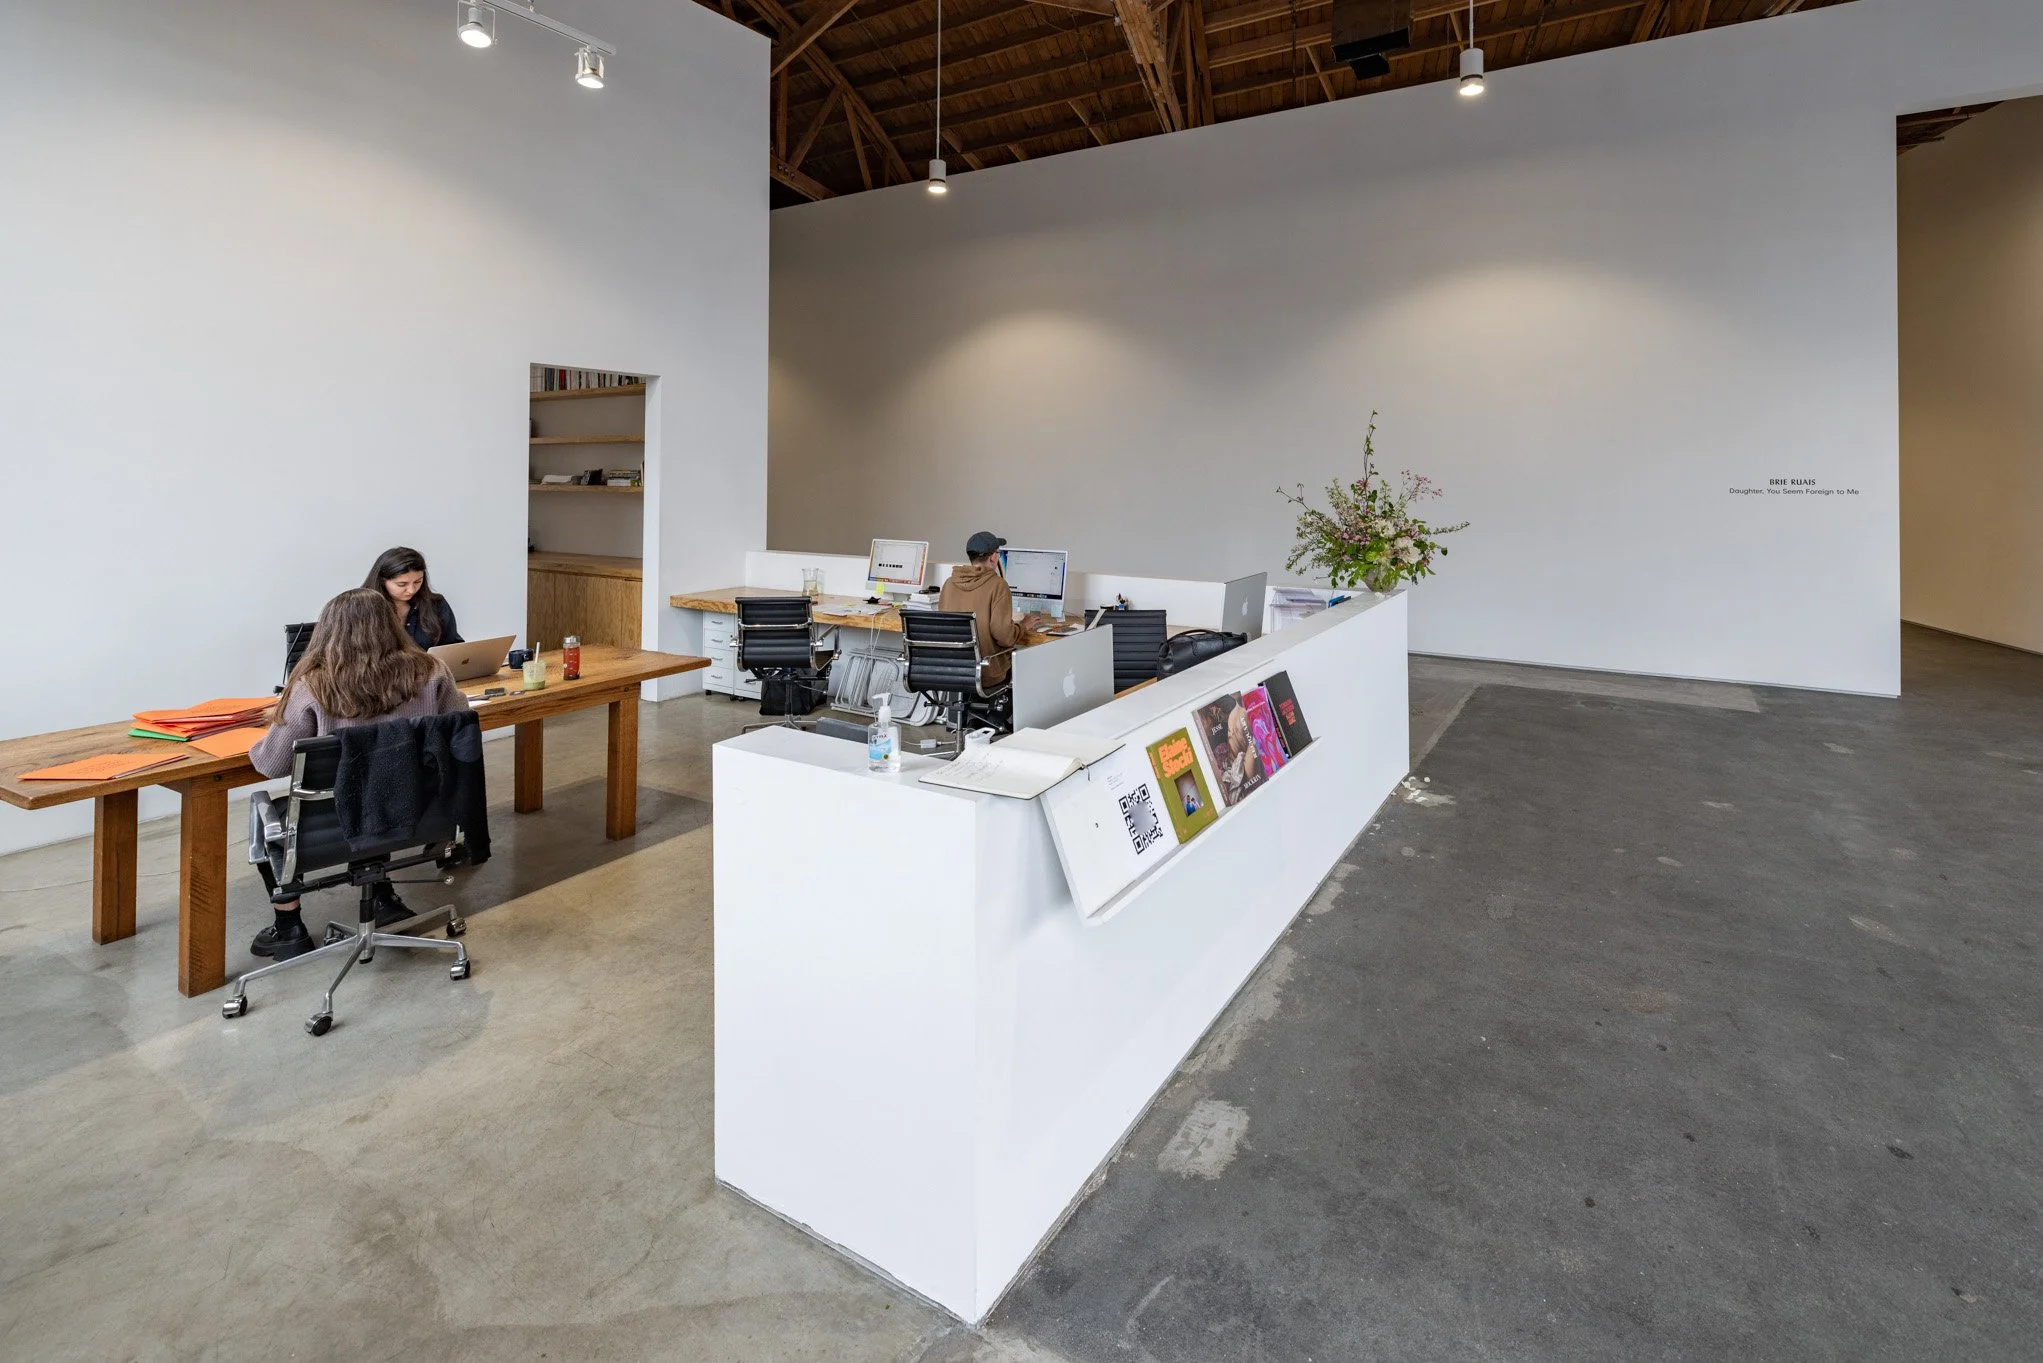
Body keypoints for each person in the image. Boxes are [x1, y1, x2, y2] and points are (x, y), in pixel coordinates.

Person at [247, 588, 471, 960]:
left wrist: (259, 740)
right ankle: (382, 897)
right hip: (417, 811)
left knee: (267, 814)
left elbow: (272, 764)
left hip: (337, 825)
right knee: (381, 782)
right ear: (391, 626)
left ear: (328, 632)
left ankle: (289, 928)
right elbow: (458, 731)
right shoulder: (433, 672)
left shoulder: (312, 686)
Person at [937, 531, 1046, 689]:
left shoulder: (949, 583)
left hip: (951, 669)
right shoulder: (998, 585)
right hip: (986, 674)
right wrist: (1023, 626)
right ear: (993, 557)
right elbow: (1004, 636)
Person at [364, 546, 462, 652]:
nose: (411, 590)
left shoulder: (436, 604)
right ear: (382, 581)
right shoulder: (363, 608)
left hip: (431, 668)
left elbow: (453, 646)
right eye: (402, 584)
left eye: (417, 582)